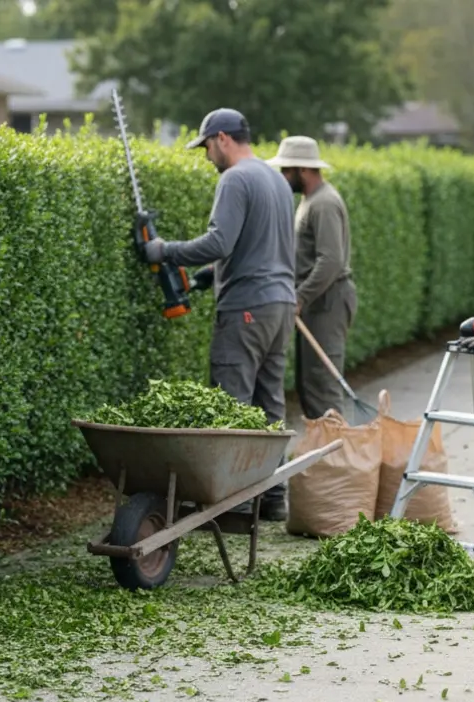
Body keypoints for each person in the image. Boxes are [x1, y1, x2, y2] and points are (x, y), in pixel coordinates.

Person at [139, 107, 298, 521]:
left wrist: (164, 251)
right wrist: (211, 276)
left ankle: (235, 505)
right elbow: (263, 245)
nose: (207, 156)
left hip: (245, 310)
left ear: (223, 139)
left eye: (207, 147)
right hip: (280, 306)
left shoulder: (235, 179)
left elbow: (219, 241)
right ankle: (274, 497)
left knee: (233, 404)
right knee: (269, 404)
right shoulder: (276, 181)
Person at [265, 135, 357, 421]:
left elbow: (331, 261)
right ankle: (325, 460)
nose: (283, 177)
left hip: (327, 301)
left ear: (302, 170)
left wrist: (301, 296)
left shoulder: (324, 204)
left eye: (286, 170)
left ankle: (338, 461)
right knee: (311, 385)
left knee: (323, 386)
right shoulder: (310, 201)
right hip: (318, 301)